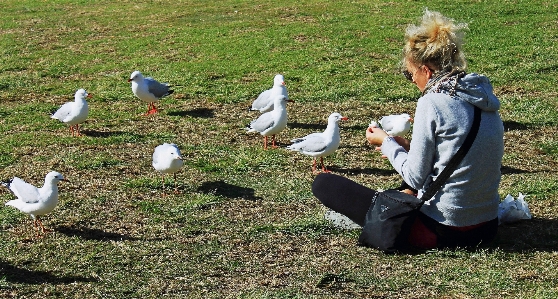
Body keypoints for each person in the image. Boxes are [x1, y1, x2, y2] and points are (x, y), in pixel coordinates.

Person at [312, 9, 504, 249]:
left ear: (426, 70)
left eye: (410, 73)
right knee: (409, 183)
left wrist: (387, 143)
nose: (412, 80)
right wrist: (410, 148)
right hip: (486, 227)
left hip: (445, 229)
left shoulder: (432, 102)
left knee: (323, 184)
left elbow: (414, 175)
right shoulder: (483, 96)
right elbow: (458, 154)